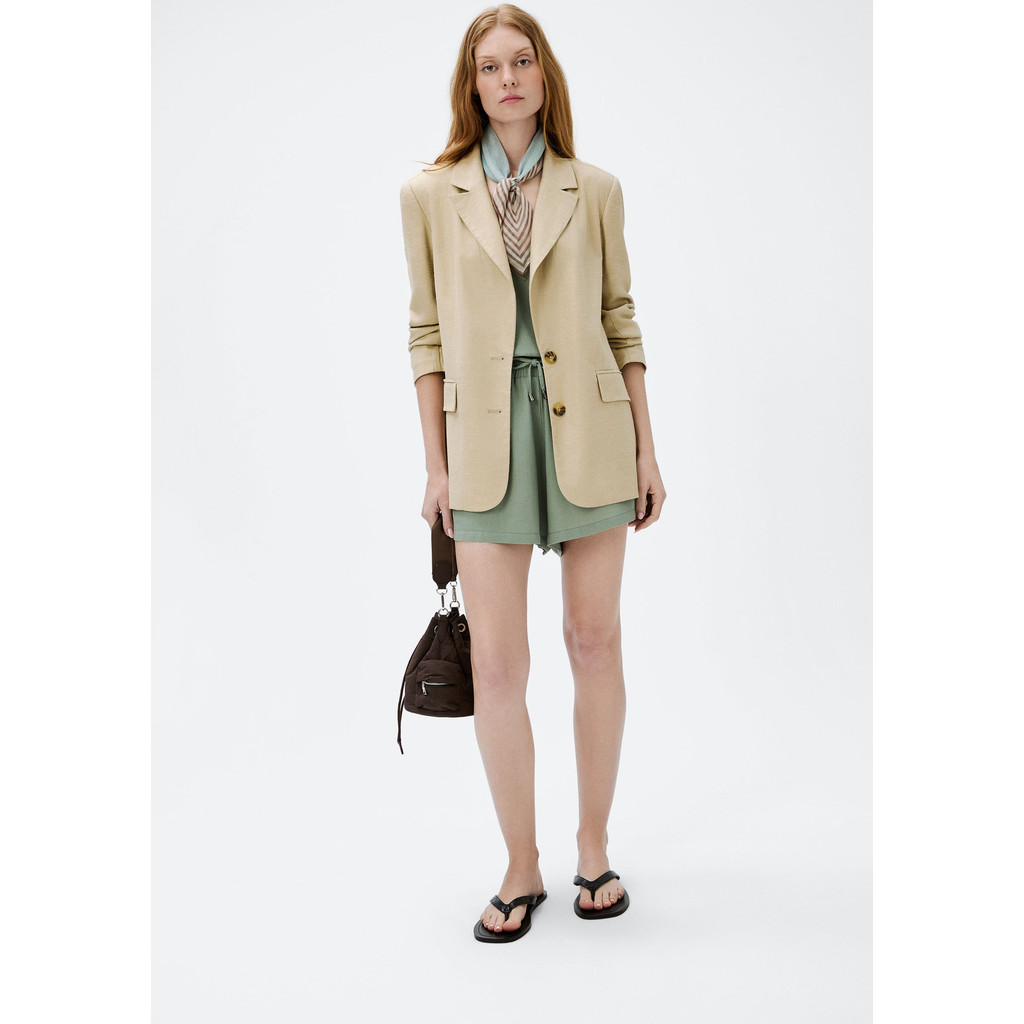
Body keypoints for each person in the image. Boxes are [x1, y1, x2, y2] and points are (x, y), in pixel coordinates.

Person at [399, 4, 666, 942]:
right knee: (500, 665)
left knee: (594, 642)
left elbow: (620, 318)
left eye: (522, 61)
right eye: (489, 66)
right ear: (470, 86)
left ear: (544, 75)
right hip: (483, 445)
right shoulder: (428, 194)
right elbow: (426, 334)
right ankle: (523, 864)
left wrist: (647, 447)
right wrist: (434, 465)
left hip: (591, 430)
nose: (507, 78)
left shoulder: (596, 189)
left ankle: (594, 848)